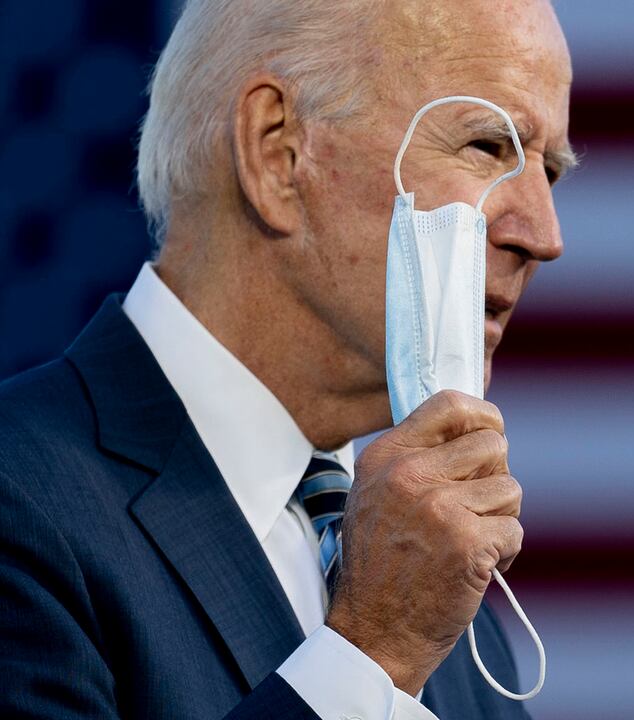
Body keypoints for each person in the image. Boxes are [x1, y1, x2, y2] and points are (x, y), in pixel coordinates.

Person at [0, 0, 576, 718]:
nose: (545, 234)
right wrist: (374, 657)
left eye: (550, 169)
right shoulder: (21, 503)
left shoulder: (431, 581)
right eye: (489, 148)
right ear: (278, 151)